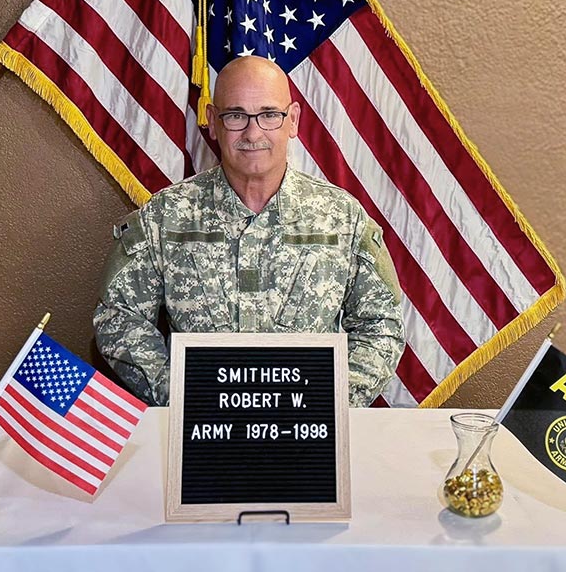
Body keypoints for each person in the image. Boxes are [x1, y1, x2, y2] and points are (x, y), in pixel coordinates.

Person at [93, 56, 405, 406]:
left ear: (293, 121)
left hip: (309, 438)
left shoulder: (342, 219)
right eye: (236, 115)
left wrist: (327, 403)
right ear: (213, 122)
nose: (253, 133)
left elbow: (381, 326)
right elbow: (118, 315)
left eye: (270, 114)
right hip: (202, 435)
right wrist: (181, 396)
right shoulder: (166, 217)